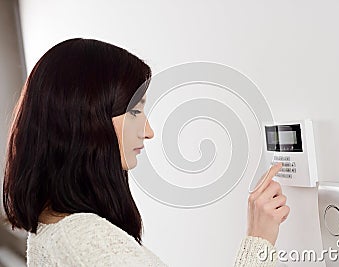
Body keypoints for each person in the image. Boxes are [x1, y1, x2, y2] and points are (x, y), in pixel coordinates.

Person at [2, 38, 289, 266]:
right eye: (136, 111)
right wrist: (258, 241)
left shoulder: (51, 225)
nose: (149, 131)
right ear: (88, 120)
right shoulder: (86, 240)